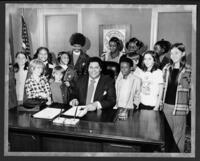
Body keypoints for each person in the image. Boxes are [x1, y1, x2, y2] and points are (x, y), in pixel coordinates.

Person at [162, 43, 191, 152]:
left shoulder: (189, 70)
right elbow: (163, 87)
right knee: (167, 136)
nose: (173, 55)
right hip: (166, 107)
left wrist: (191, 108)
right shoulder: (166, 68)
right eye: (171, 53)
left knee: (178, 137)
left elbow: (191, 91)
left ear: (183, 53)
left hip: (180, 108)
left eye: (176, 53)